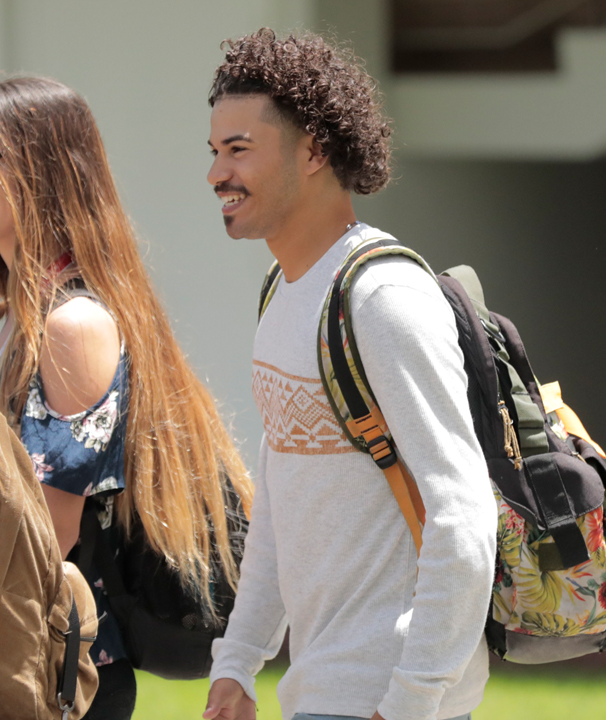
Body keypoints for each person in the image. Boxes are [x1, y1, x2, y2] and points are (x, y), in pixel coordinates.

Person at [201, 30, 498, 720]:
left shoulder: (382, 298)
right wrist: (240, 660)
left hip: (384, 691)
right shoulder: (284, 291)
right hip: (322, 687)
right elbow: (280, 498)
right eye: (214, 152)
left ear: (313, 151)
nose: (217, 173)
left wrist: (412, 700)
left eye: (238, 149)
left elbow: (462, 514)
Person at [0, 76, 254, 720]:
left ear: (47, 171)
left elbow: (46, 533)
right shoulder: (31, 314)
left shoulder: (70, 324)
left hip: (54, 675)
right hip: (29, 661)